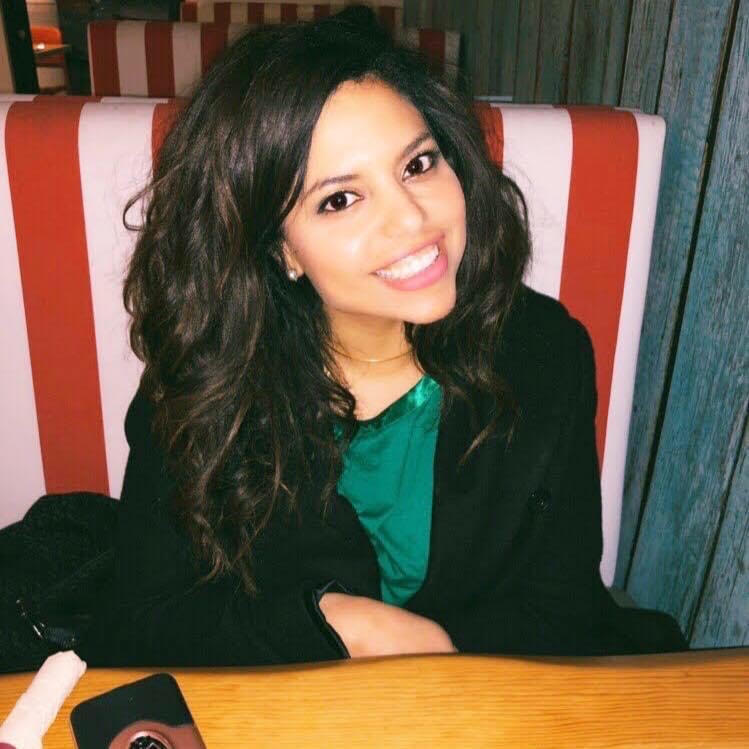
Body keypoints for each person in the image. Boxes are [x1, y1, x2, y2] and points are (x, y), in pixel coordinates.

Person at [83, 6, 686, 666]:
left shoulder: (542, 352)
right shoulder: (206, 380)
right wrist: (336, 624)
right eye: (340, 199)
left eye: (418, 163)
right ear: (278, 248)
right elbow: (137, 625)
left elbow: (562, 609)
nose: (411, 218)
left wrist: (438, 652)